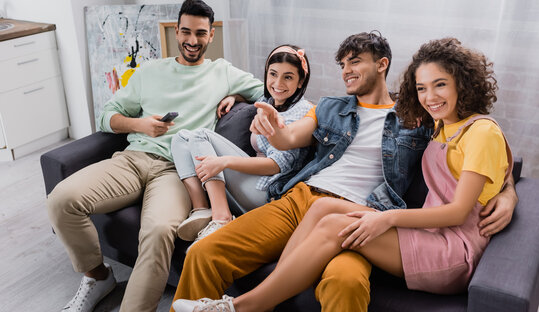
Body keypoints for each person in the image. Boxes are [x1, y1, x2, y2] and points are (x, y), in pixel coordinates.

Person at [170, 32, 518, 312]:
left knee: (346, 283)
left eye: (355, 61)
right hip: (301, 199)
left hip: (365, 212)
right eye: (342, 64)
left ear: (382, 64)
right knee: (203, 253)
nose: (346, 70)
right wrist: (272, 127)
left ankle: (251, 303)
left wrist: (508, 194)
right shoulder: (328, 107)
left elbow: (487, 154)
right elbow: (289, 138)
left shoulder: (420, 116)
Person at [46, 0, 264, 312]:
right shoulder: (150, 71)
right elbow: (107, 116)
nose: (192, 40)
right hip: (134, 158)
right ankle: (97, 276)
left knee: (160, 231)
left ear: (211, 35)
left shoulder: (223, 72)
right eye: (186, 31)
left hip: (178, 172)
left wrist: (236, 94)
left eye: (200, 33)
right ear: (176, 31)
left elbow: (270, 89)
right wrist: (140, 125)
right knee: (61, 200)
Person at [170, 45, 313, 244]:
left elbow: (276, 165)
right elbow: (258, 96)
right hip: (250, 181)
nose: (278, 83)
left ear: (300, 82)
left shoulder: (302, 113)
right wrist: (235, 97)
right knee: (181, 137)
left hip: (267, 191)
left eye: (288, 77)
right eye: (273, 74)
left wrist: (225, 162)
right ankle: (201, 208)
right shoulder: (270, 101)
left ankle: (222, 217)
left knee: (201, 136)